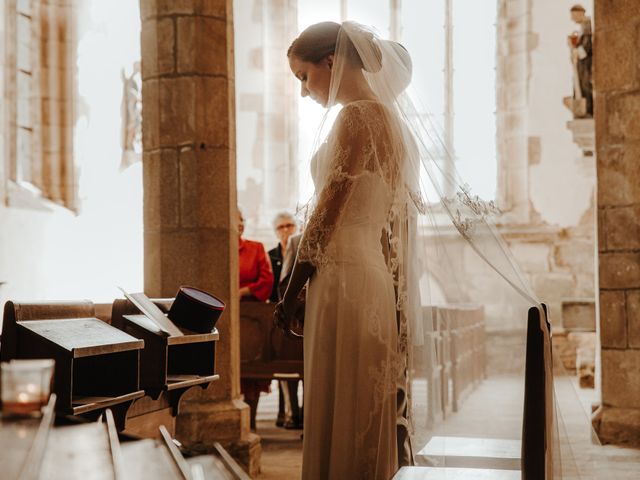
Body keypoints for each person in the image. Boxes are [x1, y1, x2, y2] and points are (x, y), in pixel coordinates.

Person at [277, 22, 408, 479]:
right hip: (368, 273)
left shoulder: (356, 116)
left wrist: (291, 289)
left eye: (302, 77)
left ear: (330, 62)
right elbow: (388, 225)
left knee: (340, 399)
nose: (303, 91)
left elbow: (329, 208)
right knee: (358, 405)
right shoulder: (392, 121)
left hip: (342, 278)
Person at [238, 208, 273, 430]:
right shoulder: (216, 249)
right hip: (225, 314)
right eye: (235, 220)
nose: (239, 223)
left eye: (241, 219)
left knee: (253, 371)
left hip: (251, 316)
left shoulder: (256, 248)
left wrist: (243, 291)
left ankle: (251, 421)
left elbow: (267, 280)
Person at [268, 212, 303, 429]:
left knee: (298, 365)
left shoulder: (300, 246)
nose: (286, 230)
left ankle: (295, 411)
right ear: (276, 231)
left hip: (298, 309)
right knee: (283, 366)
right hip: (277, 310)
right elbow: (275, 285)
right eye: (281, 227)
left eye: (289, 225)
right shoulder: (271, 255)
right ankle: (288, 411)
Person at [568, 4, 593, 117]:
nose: (572, 19)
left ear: (580, 13)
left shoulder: (587, 25)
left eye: (573, 16)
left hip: (586, 64)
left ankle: (587, 110)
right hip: (582, 64)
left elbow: (585, 49)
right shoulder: (583, 26)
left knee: (585, 85)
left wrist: (573, 47)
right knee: (581, 86)